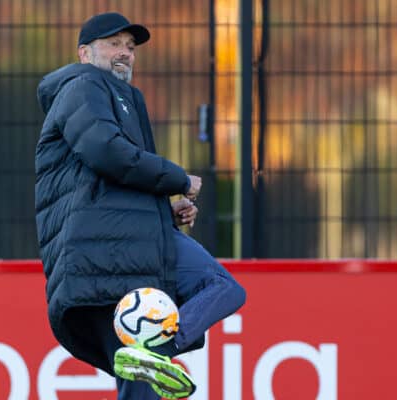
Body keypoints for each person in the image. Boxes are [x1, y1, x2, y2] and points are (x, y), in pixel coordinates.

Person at [35, 12, 246, 400]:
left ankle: (153, 349)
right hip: (103, 254)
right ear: (84, 52)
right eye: (114, 43)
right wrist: (178, 178)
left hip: (124, 249)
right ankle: (157, 346)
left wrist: (168, 209)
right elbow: (107, 153)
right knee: (220, 286)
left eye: (130, 47)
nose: (125, 53)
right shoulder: (83, 85)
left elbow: (111, 186)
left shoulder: (124, 97)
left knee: (220, 292)